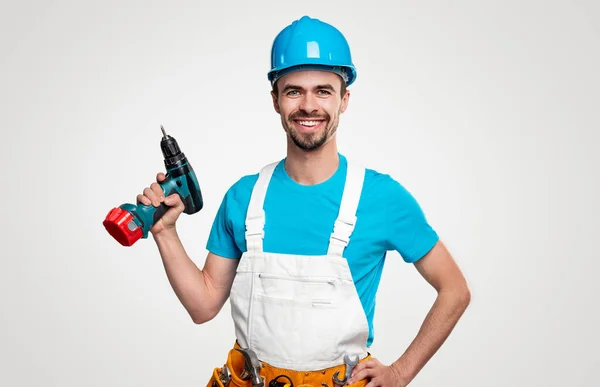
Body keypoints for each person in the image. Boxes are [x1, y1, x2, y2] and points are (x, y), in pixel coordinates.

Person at [137, 15, 471, 387]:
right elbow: (203, 306)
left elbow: (454, 290)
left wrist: (400, 373)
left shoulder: (381, 197)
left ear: (344, 100)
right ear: (276, 100)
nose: (308, 105)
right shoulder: (244, 197)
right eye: (294, 90)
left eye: (323, 91)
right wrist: (165, 233)